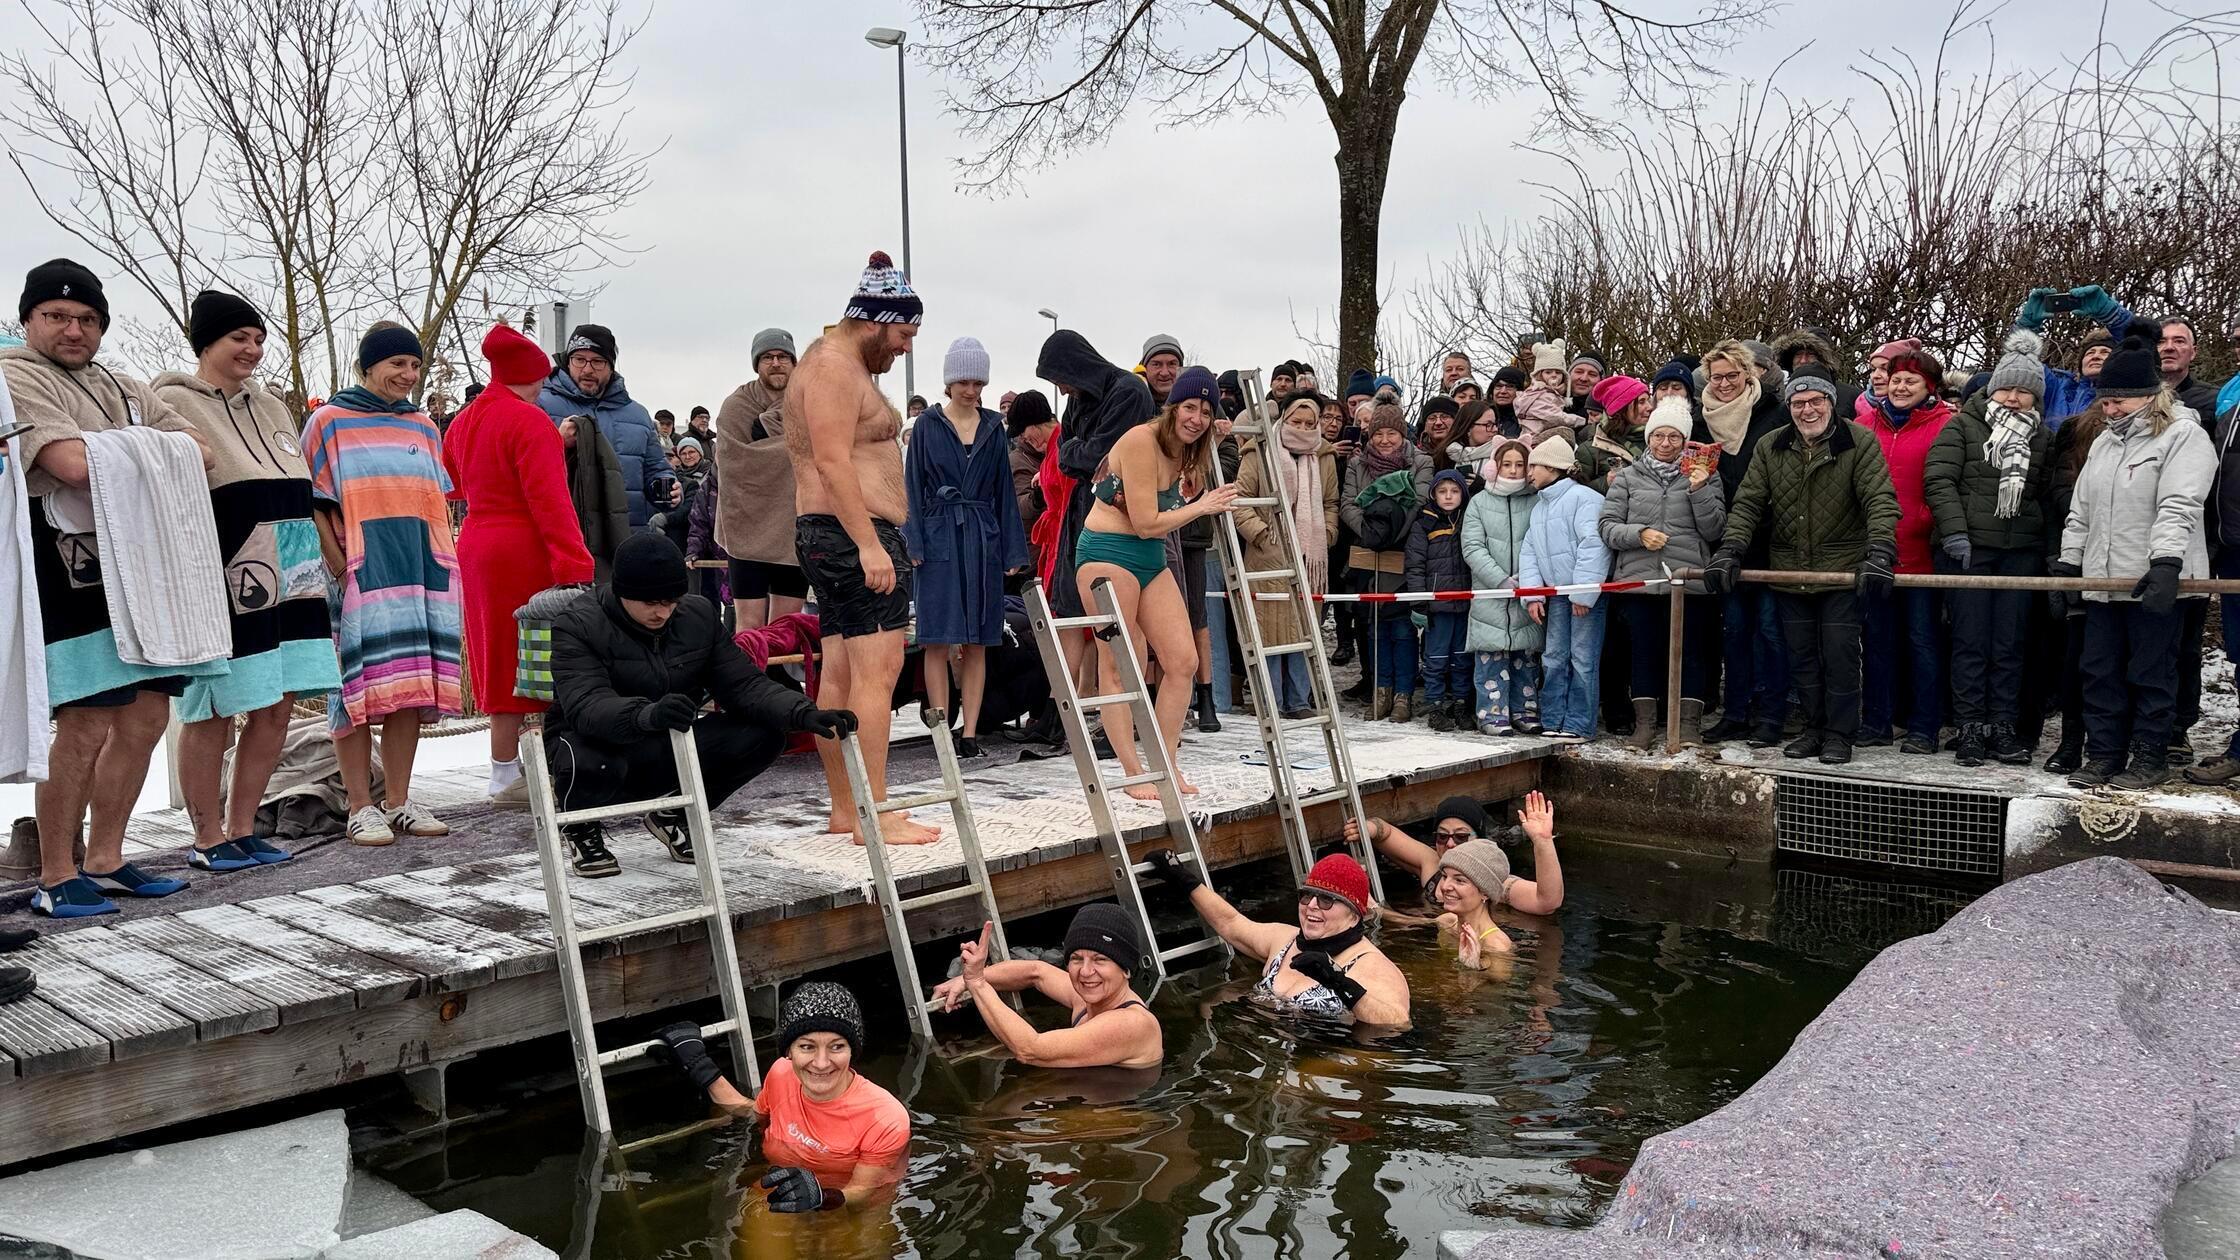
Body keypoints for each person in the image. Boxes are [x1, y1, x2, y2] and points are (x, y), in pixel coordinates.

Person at [8, 259, 221, 916]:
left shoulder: (122, 384)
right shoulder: (16, 375)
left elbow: (201, 450)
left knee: (149, 713)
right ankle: (54, 873)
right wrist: (144, 448)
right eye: (58, 316)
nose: (74, 329)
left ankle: (106, 856)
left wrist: (118, 447)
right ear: (29, 320)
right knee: (87, 719)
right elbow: (67, 466)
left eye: (87, 319)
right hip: (69, 565)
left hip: (146, 569)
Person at [155, 290, 341, 870]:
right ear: (207, 341)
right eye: (239, 337)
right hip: (223, 576)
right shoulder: (171, 402)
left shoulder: (274, 408)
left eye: (259, 339)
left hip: (294, 570)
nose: (252, 349)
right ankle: (207, 837)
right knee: (211, 706)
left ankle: (241, 827)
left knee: (278, 704)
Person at [545, 535, 854, 874]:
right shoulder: (577, 624)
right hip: (597, 742)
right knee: (587, 758)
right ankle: (580, 826)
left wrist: (804, 712)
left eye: (671, 601)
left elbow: (743, 684)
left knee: (765, 733)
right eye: (650, 603)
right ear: (622, 593)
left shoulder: (698, 615)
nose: (662, 612)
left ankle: (676, 815)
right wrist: (646, 715)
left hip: (669, 735)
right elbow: (585, 705)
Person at [787, 252, 938, 845]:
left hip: (838, 536)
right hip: (852, 536)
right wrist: (870, 543)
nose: (904, 349)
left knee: (843, 674)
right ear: (874, 321)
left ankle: (848, 811)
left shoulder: (836, 366)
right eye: (902, 335)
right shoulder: (833, 370)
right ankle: (874, 814)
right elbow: (830, 461)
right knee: (877, 675)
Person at [303, 322, 462, 844]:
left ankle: (398, 800)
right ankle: (359, 805)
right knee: (354, 689)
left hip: (418, 571)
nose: (408, 375)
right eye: (397, 364)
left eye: (415, 366)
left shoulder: (423, 426)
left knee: (409, 687)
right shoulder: (328, 421)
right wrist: (336, 563)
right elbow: (310, 500)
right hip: (359, 572)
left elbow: (433, 501)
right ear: (368, 366)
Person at [1705, 371, 1900, 765]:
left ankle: (1839, 732)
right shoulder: (1771, 445)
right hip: (1790, 568)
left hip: (1841, 567)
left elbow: (1879, 498)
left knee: (1840, 652)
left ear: (1830, 402)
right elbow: (1749, 503)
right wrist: (1731, 549)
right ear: (1790, 408)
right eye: (1798, 403)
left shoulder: (1858, 441)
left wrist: (1880, 550)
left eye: (1815, 401)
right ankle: (1814, 727)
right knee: (1801, 656)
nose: (1807, 409)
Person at [2053, 336, 2216, 789]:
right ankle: (2104, 753)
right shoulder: (2105, 444)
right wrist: (2069, 567)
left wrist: (2166, 562)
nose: (2112, 409)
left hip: (2155, 580)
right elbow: (2081, 511)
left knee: (2150, 671)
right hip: (2104, 581)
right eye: (2106, 400)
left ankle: (2149, 756)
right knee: (2099, 671)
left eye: (2121, 400)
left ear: (2150, 396)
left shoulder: (2184, 436)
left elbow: (2179, 504)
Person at [442, 323, 596, 806]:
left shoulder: (465, 420)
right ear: (530, 375)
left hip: (477, 541)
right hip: (522, 546)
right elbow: (551, 503)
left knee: (497, 653)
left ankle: (503, 768)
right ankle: (551, 763)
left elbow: (453, 483)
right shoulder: (531, 422)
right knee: (545, 654)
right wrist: (577, 565)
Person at [1074, 366, 1239, 798]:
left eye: (1205, 410)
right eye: (1189, 407)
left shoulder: (1189, 449)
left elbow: (1157, 524)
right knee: (1123, 663)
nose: (1197, 418)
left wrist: (1218, 441)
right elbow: (1147, 522)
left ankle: (1164, 761)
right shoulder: (1141, 440)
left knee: (1182, 660)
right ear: (1172, 407)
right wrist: (1203, 507)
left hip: (1149, 558)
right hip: (1107, 551)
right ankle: (1132, 770)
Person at [651, 982, 908, 1214]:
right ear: (789, 1051)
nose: (821, 1063)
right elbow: (754, 1113)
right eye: (807, 1046)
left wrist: (821, 1196)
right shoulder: (781, 1074)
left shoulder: (886, 1117)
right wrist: (698, 1065)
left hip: (847, 1206)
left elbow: (863, 1191)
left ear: (853, 1050)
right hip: (780, 1189)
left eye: (837, 1046)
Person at [1923, 333, 2054, 767]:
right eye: (2008, 388)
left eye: (2024, 392)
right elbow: (1939, 480)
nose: (2014, 398)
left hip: (2020, 552)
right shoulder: (1962, 425)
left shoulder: (2043, 437)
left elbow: (2046, 495)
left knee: (2010, 644)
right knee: (1970, 643)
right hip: (1970, 551)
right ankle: (1970, 727)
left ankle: (2002, 725)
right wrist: (1956, 533)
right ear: (1992, 387)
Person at [907, 337, 1030, 758]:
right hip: (940, 533)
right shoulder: (926, 425)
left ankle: (971, 733)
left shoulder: (995, 427)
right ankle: (942, 727)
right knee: (936, 640)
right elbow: (912, 487)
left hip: (981, 537)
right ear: (948, 381)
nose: (971, 390)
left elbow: (1003, 495)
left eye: (978, 382)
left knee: (978, 639)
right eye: (963, 380)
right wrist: (915, 540)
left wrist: (1013, 551)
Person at [1143, 848, 1409, 1025]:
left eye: (1327, 900)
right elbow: (1231, 923)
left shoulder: (1371, 965)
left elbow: (1397, 1022)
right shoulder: (1284, 939)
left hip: (1323, 1060)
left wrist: (1338, 981)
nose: (1312, 906)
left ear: (1354, 915)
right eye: (1307, 895)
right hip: (1266, 1046)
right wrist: (1181, 877)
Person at [1600, 396, 1726, 747]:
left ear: (1685, 441)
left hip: (1688, 581)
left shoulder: (1706, 478)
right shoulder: (1626, 478)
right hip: (1640, 582)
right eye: (1659, 436)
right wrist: (1638, 535)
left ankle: (1687, 727)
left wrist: (1699, 490)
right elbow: (1607, 526)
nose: (1666, 444)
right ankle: (1646, 725)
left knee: (1691, 654)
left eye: (1674, 437)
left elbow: (1716, 529)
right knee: (1644, 654)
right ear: (1648, 438)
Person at [1854, 346, 1954, 753]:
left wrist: (1927, 519)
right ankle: (1877, 721)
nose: (1899, 386)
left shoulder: (1947, 424)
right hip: (1873, 551)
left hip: (1921, 553)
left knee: (1922, 642)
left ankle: (1923, 726)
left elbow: (1948, 481)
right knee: (1876, 642)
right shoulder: (1863, 424)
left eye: (1910, 381)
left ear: (1929, 387)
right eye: (1895, 379)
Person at [1697, 338, 1794, 745]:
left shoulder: (1774, 413)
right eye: (1716, 377)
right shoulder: (1700, 420)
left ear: (1749, 374)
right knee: (1735, 630)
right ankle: (1736, 711)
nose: (1723, 384)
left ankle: (1771, 714)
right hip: (1725, 538)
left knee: (1771, 631)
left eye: (1731, 376)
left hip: (1772, 537)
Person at [929, 906, 1162, 1069]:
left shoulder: (1131, 1023)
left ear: (1126, 969)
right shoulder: (1089, 996)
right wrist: (963, 980)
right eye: (1077, 958)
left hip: (1118, 1121)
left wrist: (977, 983)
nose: (1086, 971)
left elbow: (1029, 1049)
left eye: (1100, 960)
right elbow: (1037, 972)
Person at [1232, 391, 1336, 719]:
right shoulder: (1258, 452)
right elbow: (1241, 498)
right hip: (1269, 556)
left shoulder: (1324, 456)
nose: (1303, 427)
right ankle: (1272, 701)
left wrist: (1328, 533)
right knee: (1270, 631)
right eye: (1296, 421)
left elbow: (1330, 503)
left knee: (1304, 630)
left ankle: (1300, 700)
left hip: (1309, 556)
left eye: (1310, 422)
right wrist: (1262, 534)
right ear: (1283, 420)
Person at [536, 323, 678, 530]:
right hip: (565, 536)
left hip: (626, 537)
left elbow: (657, 468)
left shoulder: (638, 415)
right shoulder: (539, 405)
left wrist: (668, 487)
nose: (587, 369)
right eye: (579, 360)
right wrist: (558, 442)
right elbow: (519, 470)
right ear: (568, 362)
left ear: (611, 366)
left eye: (597, 362)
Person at [1341, 403, 1433, 720]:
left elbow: (1420, 501)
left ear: (1402, 433)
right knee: (1373, 628)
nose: (1383, 440)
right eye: (1377, 433)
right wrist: (1370, 532)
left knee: (1403, 629)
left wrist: (1392, 532)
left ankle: (1403, 696)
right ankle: (1380, 691)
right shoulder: (1357, 463)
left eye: (1390, 433)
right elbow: (1348, 504)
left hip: (1405, 551)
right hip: (1369, 553)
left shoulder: (1421, 461)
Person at [715, 328, 810, 631]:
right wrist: (791, 448)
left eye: (783, 356)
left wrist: (770, 440)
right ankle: (747, 680)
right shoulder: (736, 406)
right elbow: (733, 463)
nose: (776, 363)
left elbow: (820, 451)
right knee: (750, 627)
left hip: (791, 528)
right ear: (757, 364)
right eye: (768, 357)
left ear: (794, 363)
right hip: (746, 528)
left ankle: (778, 679)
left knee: (785, 628)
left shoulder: (810, 402)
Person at [1518, 434, 1608, 741]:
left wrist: (1583, 592)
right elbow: (1529, 553)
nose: (1528, 473)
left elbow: (1593, 545)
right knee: (1554, 657)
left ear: (1554, 467)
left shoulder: (1585, 499)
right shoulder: (1540, 507)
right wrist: (1532, 595)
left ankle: (1579, 723)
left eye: (1535, 466)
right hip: (1556, 597)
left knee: (1582, 658)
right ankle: (1554, 720)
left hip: (1582, 597)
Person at [1461, 439, 1543, 735]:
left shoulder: (1536, 500)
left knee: (1526, 656)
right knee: (1491, 656)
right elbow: (1472, 546)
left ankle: (1524, 708)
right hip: (1490, 592)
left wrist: (1529, 578)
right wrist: (1500, 579)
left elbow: (1542, 540)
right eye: (1506, 464)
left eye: (1519, 464)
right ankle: (1491, 712)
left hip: (1527, 590)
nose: (1512, 470)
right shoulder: (1480, 502)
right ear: (1495, 466)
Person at [1424, 792, 1563, 964]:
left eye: (1461, 837)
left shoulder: (1496, 945)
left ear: (1485, 892)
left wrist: (1543, 841)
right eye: (1442, 836)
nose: (1450, 844)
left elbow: (1548, 901)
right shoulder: (1448, 920)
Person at [1406, 470, 1474, 730]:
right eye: (1443, 491)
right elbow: (1414, 566)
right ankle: (1434, 704)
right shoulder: (1424, 523)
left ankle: (1460, 702)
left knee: (1462, 656)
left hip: (1465, 602)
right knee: (1435, 658)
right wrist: (1419, 603)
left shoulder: (1469, 519)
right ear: (1433, 493)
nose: (1448, 496)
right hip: (1437, 605)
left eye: (1454, 491)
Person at [2012, 284, 2136, 422]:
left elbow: (2138, 345)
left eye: (2104, 352)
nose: (2096, 356)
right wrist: (2027, 326)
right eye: (2090, 353)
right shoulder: (2057, 388)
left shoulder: (2131, 390)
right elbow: (2019, 363)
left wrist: (2112, 314)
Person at [1572, 375, 1649, 496]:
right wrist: (1605, 482)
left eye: (1648, 400)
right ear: (1622, 408)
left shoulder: (1659, 441)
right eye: (1641, 402)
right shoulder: (1590, 450)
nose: (1650, 407)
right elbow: (1574, 493)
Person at [1007, 389, 1057, 545]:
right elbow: (1018, 505)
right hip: (1038, 545)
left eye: (1023, 431)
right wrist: (1037, 496)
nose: (1023, 437)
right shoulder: (1018, 460)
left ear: (1035, 424)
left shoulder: (1063, 450)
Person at [1514, 342, 1575, 441]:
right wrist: (1581, 420)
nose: (1554, 375)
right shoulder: (1539, 395)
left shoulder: (1553, 393)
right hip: (1535, 439)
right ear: (1539, 375)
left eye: (1558, 372)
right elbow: (1555, 417)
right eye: (1548, 372)